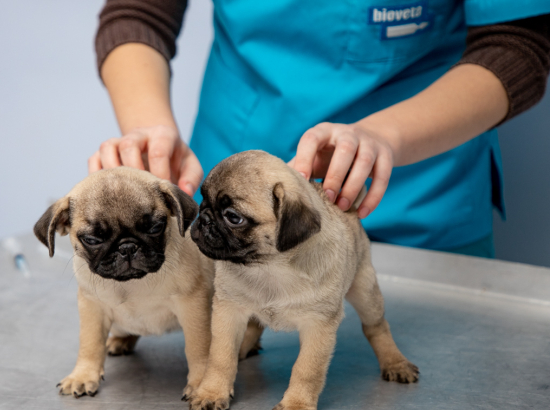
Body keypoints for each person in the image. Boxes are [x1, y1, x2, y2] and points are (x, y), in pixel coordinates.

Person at [89, 1, 550, 258]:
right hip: (232, 207)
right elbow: (138, 13)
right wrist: (149, 129)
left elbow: (518, 42)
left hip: (420, 200)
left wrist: (385, 136)